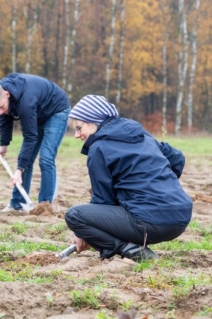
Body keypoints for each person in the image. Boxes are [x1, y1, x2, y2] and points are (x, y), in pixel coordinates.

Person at [64, 95, 193, 262]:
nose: (76, 135)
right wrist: (163, 185)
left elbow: (103, 201)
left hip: (151, 222)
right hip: (181, 216)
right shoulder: (140, 134)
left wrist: (82, 233)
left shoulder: (98, 148)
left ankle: (129, 249)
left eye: (79, 128)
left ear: (93, 122)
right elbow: (176, 158)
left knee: (75, 215)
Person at [0, 73, 71, 212]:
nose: (0, 112)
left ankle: (45, 206)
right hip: (38, 113)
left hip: (56, 111)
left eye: (1, 107)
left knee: (46, 158)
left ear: (7, 94)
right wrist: (3, 146)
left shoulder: (26, 101)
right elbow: (5, 120)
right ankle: (18, 204)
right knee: (26, 160)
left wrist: (19, 170)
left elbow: (30, 137)